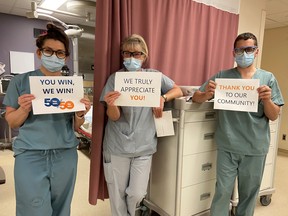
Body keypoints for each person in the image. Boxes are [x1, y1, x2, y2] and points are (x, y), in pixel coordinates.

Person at [3, 23, 91, 216]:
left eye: (60, 53)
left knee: (62, 208)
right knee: (32, 208)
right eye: (49, 51)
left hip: (65, 154)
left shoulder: (71, 87)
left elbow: (76, 126)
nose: (55, 56)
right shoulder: (20, 82)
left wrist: (79, 114)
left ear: (66, 56)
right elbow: (12, 122)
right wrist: (24, 109)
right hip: (31, 154)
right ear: (39, 52)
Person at [192, 32, 284, 216]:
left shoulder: (267, 78)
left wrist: (266, 100)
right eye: (240, 50)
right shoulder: (222, 76)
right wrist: (207, 93)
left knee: (249, 194)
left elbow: (274, 115)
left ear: (256, 51)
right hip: (228, 145)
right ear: (233, 53)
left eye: (249, 49)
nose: (244, 53)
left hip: (255, 147)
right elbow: (196, 98)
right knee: (222, 192)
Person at [100, 34, 183, 216]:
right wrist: (112, 105)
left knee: (137, 193)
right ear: (122, 55)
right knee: (117, 194)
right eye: (127, 53)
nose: (131, 57)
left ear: (144, 56)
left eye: (137, 54)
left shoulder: (153, 77)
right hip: (117, 145)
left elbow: (177, 89)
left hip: (144, 145)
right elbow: (113, 117)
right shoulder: (116, 79)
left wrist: (163, 98)